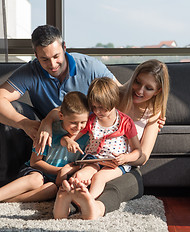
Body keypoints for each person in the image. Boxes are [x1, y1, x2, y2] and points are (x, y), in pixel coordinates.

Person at [0, 24, 120, 181]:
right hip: (45, 128)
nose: (52, 65)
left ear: (64, 47)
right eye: (44, 59)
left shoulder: (90, 66)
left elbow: (119, 93)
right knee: (15, 108)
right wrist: (25, 123)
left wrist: (151, 113)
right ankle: (15, 178)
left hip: (84, 129)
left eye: (56, 56)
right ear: (35, 55)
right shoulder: (30, 71)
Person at [51, 59, 170, 220]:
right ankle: (67, 204)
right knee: (82, 180)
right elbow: (70, 111)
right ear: (133, 77)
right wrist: (46, 123)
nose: (140, 91)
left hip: (124, 166)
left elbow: (142, 157)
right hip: (94, 161)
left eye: (148, 88)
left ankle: (93, 208)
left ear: (157, 91)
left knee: (112, 187)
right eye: (138, 82)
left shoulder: (153, 114)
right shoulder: (110, 97)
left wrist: (122, 159)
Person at [0, 91, 90, 209]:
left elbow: (86, 163)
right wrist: (59, 170)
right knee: (36, 180)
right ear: (61, 115)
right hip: (38, 172)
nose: (78, 127)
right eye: (73, 122)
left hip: (58, 181)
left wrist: (68, 170)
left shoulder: (88, 135)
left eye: (83, 122)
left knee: (51, 189)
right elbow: (35, 162)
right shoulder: (46, 131)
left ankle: (0, 199)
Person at [53, 77, 142, 219]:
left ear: (113, 102)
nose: (97, 111)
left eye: (102, 107)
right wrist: (68, 141)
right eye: (94, 107)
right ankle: (67, 197)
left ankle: (87, 201)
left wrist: (126, 158)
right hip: (92, 160)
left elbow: (138, 151)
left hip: (115, 163)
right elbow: (69, 138)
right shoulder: (91, 120)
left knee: (99, 178)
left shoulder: (125, 122)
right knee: (81, 175)